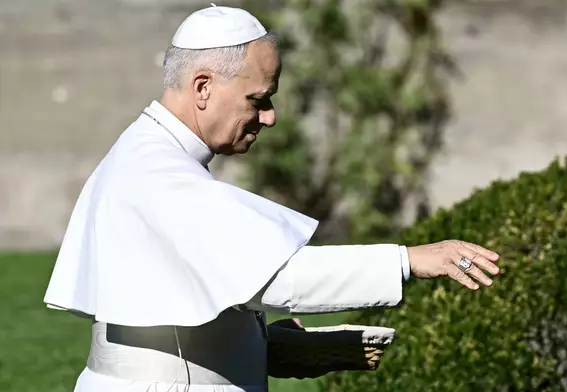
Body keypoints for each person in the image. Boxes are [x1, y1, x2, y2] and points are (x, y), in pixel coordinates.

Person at [44, 4, 500, 392]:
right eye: (258, 98)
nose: (270, 116)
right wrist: (409, 260)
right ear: (203, 87)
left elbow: (174, 311)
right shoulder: (157, 173)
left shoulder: (148, 153)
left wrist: (275, 349)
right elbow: (279, 280)